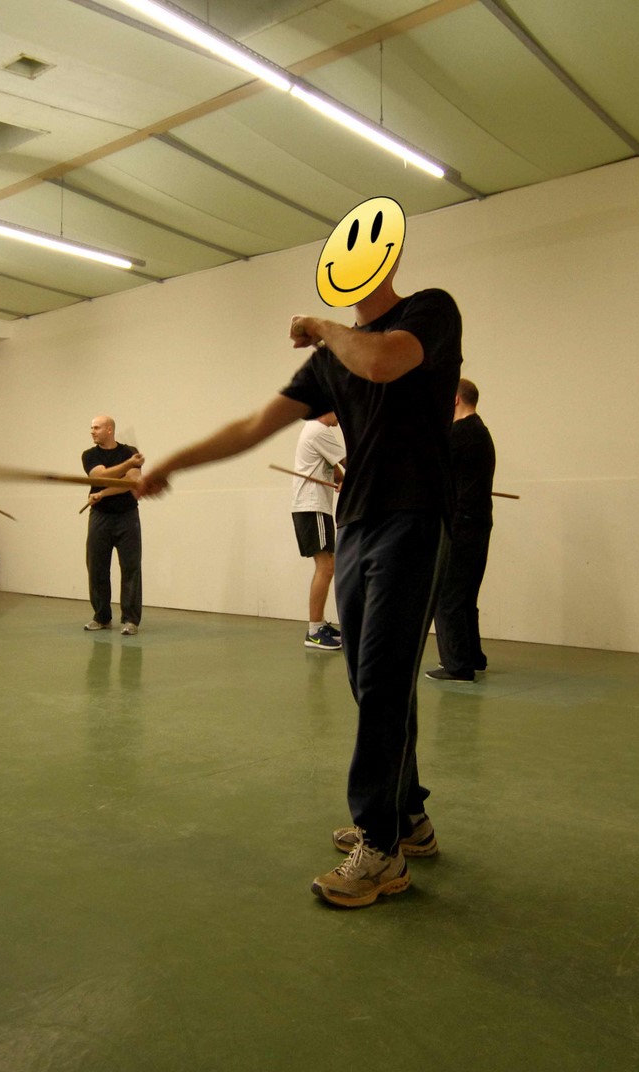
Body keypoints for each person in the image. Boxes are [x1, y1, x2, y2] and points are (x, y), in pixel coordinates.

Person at [138, 258, 461, 909]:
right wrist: (174, 461)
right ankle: (408, 821)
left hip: (416, 519)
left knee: (381, 680)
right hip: (362, 523)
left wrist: (322, 327)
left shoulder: (430, 310)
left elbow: (384, 362)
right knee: (371, 681)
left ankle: (381, 848)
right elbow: (253, 426)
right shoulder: (326, 364)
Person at [428, 378, 495, 681]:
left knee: (447, 595)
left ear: (454, 399)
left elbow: (426, 470)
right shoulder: (480, 432)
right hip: (478, 523)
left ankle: (457, 665)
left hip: (460, 526)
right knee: (465, 595)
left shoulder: (459, 433)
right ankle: (473, 656)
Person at [82, 415, 144, 635]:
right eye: (91, 428)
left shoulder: (129, 450)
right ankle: (101, 617)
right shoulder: (90, 455)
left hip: (127, 516)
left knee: (131, 567)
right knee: (96, 567)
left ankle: (130, 620)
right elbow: (99, 477)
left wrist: (103, 493)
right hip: (100, 517)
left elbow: (132, 482)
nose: (92, 431)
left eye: (96, 427)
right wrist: (128, 466)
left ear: (109, 430)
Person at [291, 412, 346, 651]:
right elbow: (348, 461)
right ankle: (314, 630)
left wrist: (341, 478)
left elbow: (335, 467)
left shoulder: (315, 432)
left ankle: (319, 624)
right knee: (326, 566)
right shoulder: (319, 431)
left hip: (313, 508)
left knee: (326, 565)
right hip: (312, 507)